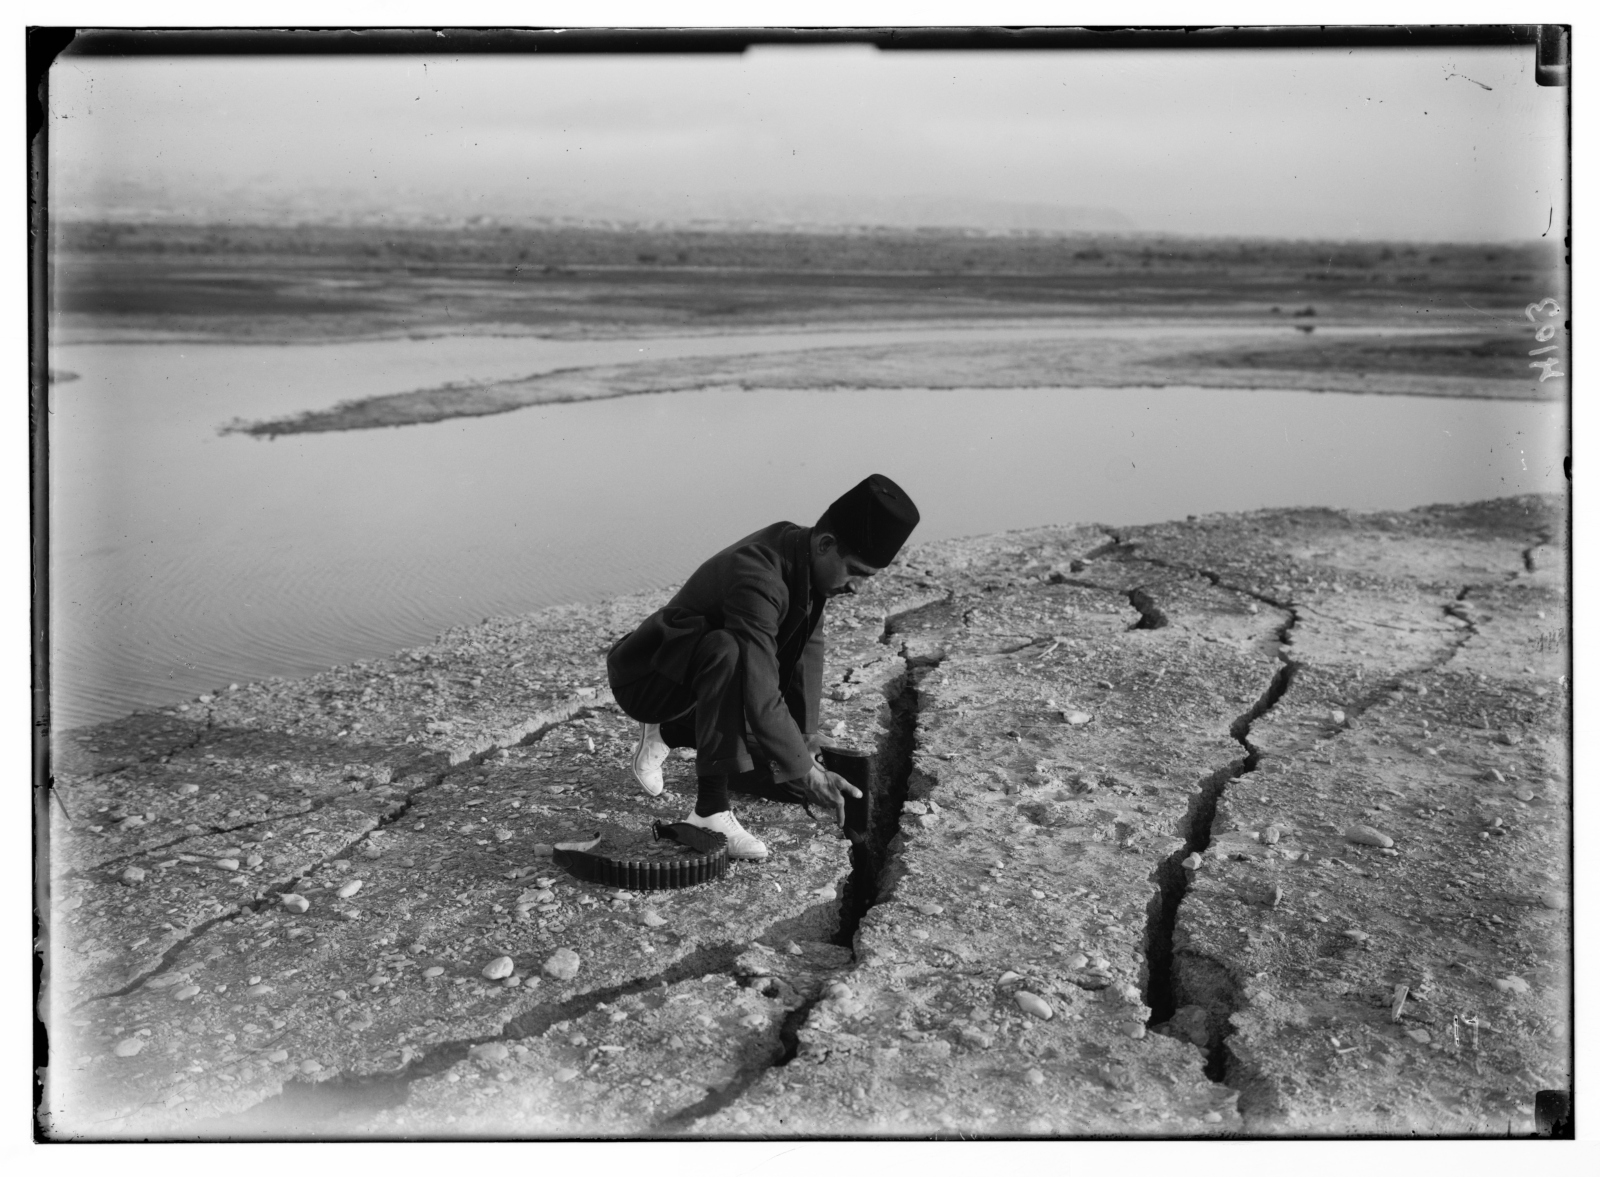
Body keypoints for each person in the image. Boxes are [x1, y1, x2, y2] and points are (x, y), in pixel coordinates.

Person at [605, 474, 921, 861]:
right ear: (825, 544)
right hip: (650, 680)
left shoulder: (805, 557)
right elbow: (758, 684)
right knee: (729, 652)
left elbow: (809, 650)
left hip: (698, 683)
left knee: (790, 779)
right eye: (855, 572)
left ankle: (671, 731)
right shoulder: (758, 576)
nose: (858, 588)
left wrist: (805, 741)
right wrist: (806, 770)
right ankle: (709, 811)